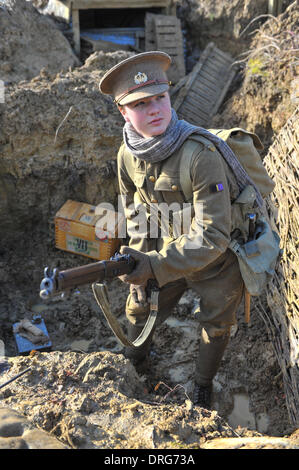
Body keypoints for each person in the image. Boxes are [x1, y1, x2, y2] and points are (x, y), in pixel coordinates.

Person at [99, 51, 266, 409]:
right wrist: (139, 264)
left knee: (216, 325)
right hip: (165, 250)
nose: (155, 109)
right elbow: (136, 212)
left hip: (218, 262)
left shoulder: (199, 154)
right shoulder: (127, 155)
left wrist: (154, 265)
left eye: (160, 97)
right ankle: (136, 362)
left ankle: (203, 385)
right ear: (123, 113)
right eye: (141, 104)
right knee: (138, 308)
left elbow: (213, 236)